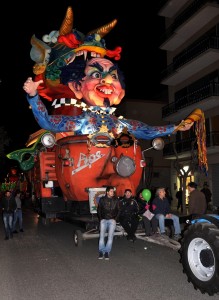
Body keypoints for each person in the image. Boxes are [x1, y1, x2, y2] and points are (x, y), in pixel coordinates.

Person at [97, 186, 119, 260]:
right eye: (111, 191)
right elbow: (99, 210)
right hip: (103, 219)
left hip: (112, 220)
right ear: (107, 192)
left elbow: (119, 210)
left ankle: (107, 252)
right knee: (102, 236)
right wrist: (101, 219)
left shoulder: (116, 200)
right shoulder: (102, 199)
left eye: (113, 191)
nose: (113, 193)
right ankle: (101, 251)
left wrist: (115, 219)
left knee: (110, 237)